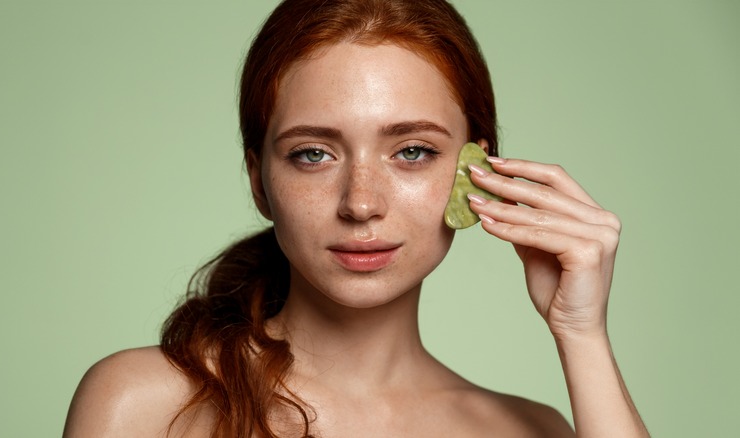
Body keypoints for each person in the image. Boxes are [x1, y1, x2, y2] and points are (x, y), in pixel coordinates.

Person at [64, 0, 649, 436]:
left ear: (475, 170)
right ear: (258, 180)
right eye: (313, 154)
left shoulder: (534, 431)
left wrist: (582, 335)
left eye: (412, 151)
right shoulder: (141, 404)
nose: (362, 203)